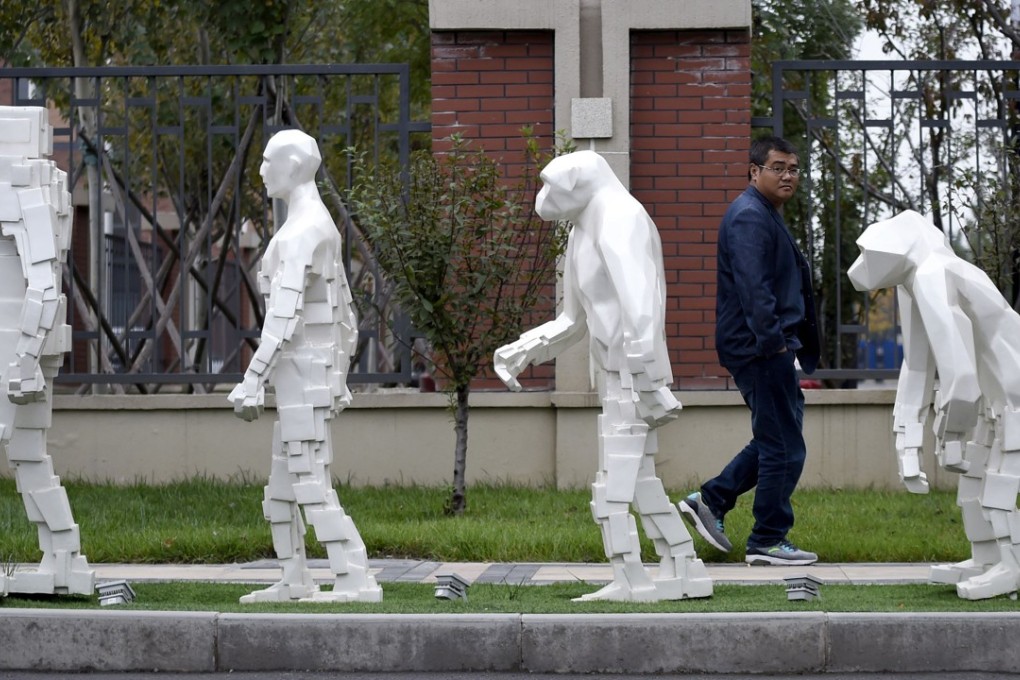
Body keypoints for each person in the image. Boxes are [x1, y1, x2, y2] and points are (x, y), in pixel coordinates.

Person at [494, 150, 712, 601]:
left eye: (552, 189)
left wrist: (649, 381)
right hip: (614, 374)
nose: (543, 200)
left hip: (632, 373)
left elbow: (642, 306)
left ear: (578, 186)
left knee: (611, 487)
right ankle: (685, 567)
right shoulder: (583, 228)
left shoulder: (619, 218)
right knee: (637, 480)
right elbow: (574, 319)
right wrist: (523, 349)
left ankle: (630, 579)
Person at [228, 129, 381, 603]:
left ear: (293, 166)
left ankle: (355, 578)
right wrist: (337, 371)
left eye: (269, 160)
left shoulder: (302, 233)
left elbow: (284, 315)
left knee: (311, 481)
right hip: (303, 376)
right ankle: (294, 578)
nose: (260, 170)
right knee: (281, 489)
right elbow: (348, 314)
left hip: (302, 377)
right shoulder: (316, 226)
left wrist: (252, 379)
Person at [849, 210, 1020, 600]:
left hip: (1012, 396)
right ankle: (986, 558)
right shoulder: (915, 280)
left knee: (999, 485)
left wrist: (951, 432)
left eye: (868, 255)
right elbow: (918, 364)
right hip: (995, 399)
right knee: (973, 484)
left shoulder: (933, 273)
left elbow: (958, 370)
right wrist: (907, 438)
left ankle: (1013, 568)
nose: (859, 269)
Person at [678, 135, 820, 566]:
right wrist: (775, 345)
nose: (787, 175)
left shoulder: (763, 213)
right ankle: (767, 540)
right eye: (777, 167)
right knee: (785, 448)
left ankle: (711, 499)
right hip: (761, 348)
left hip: (768, 346)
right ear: (754, 171)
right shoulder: (748, 217)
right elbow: (754, 289)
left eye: (793, 168)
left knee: (775, 439)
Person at [0, 106, 94, 596]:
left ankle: (65, 560)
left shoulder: (25, 192)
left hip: (16, 345)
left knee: (27, 452)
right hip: (24, 343)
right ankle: (63, 558)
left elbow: (40, 283)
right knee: (28, 454)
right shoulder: (37, 189)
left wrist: (22, 358)